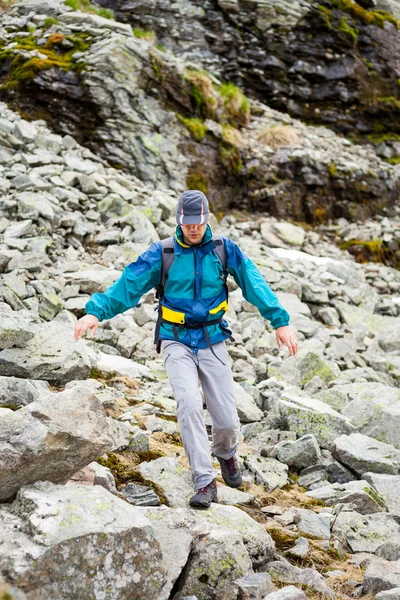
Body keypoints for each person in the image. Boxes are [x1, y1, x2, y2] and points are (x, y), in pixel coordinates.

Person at [74, 190, 298, 509]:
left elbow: (254, 282)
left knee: (227, 420)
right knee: (189, 403)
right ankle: (204, 481)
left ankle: (226, 454)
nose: (193, 229)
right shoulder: (162, 252)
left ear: (207, 218)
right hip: (174, 338)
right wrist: (96, 311)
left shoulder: (224, 249)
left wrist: (279, 321)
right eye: (187, 223)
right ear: (179, 220)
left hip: (213, 338)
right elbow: (129, 284)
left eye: (198, 223)